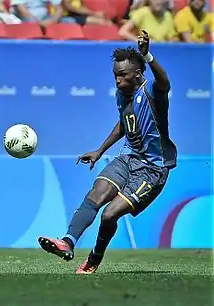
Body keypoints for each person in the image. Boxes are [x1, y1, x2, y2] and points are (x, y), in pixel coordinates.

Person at [38, 30, 177, 275]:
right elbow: (125, 123)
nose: (117, 81)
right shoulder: (122, 96)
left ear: (137, 73)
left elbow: (165, 82)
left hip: (153, 169)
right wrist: (100, 150)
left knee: (109, 215)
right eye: (115, 76)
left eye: (122, 76)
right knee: (96, 194)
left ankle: (94, 258)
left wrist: (148, 57)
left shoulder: (152, 92)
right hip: (128, 158)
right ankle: (67, 242)